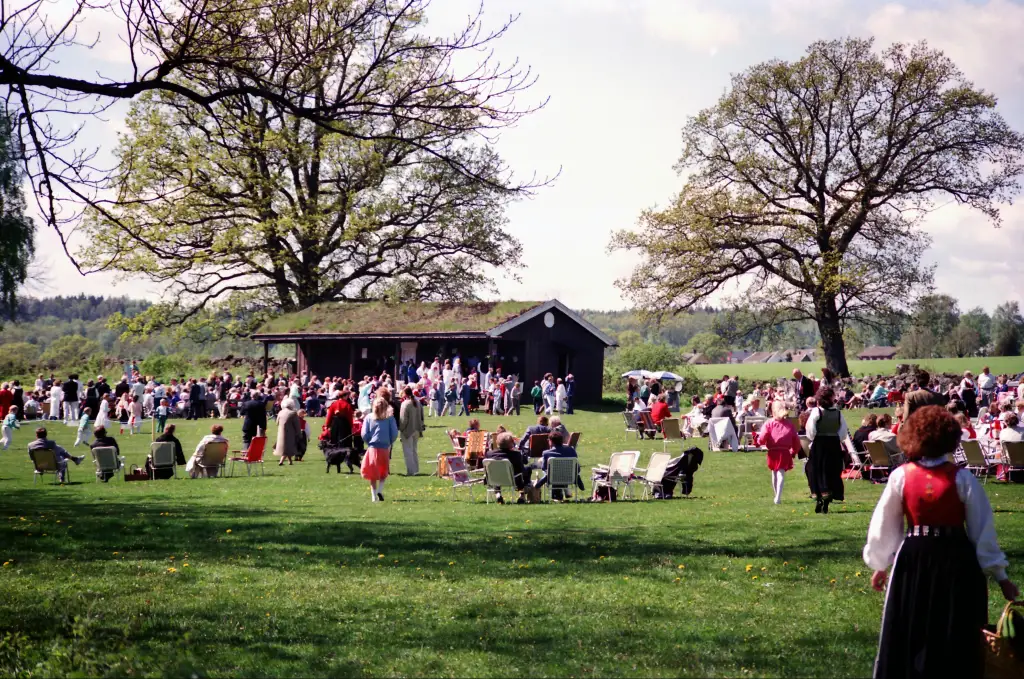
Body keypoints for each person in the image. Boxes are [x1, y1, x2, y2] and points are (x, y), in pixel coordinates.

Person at [863, 406, 1018, 679]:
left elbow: (885, 527)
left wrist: (882, 562)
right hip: (956, 558)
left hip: (914, 560)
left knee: (913, 624)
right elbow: (983, 531)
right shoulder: (962, 478)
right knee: (955, 628)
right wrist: (1001, 576)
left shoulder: (902, 476)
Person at [805, 388, 852, 514]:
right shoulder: (838, 413)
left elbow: (810, 431)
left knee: (817, 471)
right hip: (833, 444)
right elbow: (843, 433)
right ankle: (826, 501)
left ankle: (819, 498)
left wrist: (816, 437)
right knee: (831, 472)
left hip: (820, 444)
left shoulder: (816, 412)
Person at [758, 402, 801, 504]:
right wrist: (794, 450)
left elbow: (763, 437)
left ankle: (777, 495)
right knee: (780, 472)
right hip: (784, 451)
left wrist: (759, 441)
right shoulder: (789, 424)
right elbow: (796, 439)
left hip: (773, 451)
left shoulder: (769, 423)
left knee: (774, 472)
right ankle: (778, 496)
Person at [361, 396, 398, 502]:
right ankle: (380, 490)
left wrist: (369, 441)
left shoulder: (369, 417)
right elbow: (394, 433)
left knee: (373, 473)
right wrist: (389, 441)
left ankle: (373, 496)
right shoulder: (390, 418)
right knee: (383, 471)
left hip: (373, 448)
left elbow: (364, 433)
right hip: (385, 448)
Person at [532, 431, 584, 500]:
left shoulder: (546, 453)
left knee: (547, 472)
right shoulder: (571, 450)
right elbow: (578, 468)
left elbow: (544, 468)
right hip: (570, 478)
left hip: (552, 479)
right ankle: (562, 492)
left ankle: (555, 494)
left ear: (551, 441)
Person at [483, 431, 528, 504]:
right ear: (510, 443)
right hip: (512, 479)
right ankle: (522, 495)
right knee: (523, 472)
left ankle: (498, 494)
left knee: (496, 473)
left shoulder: (489, 454)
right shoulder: (516, 455)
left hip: (494, 479)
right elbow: (521, 470)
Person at [398, 386, 425, 476]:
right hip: (417, 429)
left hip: (408, 430)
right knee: (414, 450)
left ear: (404, 394)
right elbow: (422, 417)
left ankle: (411, 471)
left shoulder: (405, 404)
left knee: (408, 451)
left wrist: (401, 429)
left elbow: (403, 419)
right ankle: (415, 469)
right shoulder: (417, 402)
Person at [274, 398, 302, 466]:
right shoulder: (293, 413)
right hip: (290, 433)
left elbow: (276, 423)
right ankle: (281, 461)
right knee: (288, 448)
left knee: (287, 447)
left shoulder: (280, 412)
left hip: (280, 433)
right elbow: (297, 425)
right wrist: (299, 434)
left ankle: (290, 462)